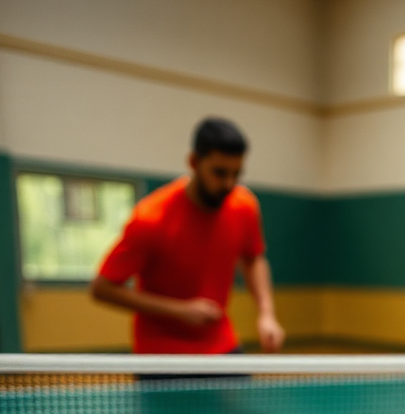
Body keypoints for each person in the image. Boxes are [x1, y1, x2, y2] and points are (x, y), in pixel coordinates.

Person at [91, 118, 285, 355]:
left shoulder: (244, 206)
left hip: (220, 345)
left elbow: (253, 257)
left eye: (236, 174)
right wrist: (179, 310)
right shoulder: (151, 218)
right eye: (219, 173)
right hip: (161, 354)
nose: (229, 184)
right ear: (194, 162)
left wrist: (266, 314)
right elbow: (102, 288)